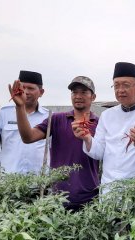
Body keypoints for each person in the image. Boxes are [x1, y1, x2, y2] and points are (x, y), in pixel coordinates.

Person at [72, 62, 135, 192]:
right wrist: (88, 139)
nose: (120, 90)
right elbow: (99, 152)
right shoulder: (107, 115)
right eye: (116, 85)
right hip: (110, 190)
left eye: (126, 85)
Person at [11, 76, 99, 210]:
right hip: (58, 197)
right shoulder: (56, 119)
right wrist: (20, 106)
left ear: (93, 97)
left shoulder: (100, 124)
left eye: (84, 92)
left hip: (90, 198)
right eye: (74, 92)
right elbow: (28, 137)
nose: (78, 96)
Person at [0, 70, 49, 174]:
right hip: (9, 182)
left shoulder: (48, 116)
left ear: (41, 92)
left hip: (40, 182)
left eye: (31, 88)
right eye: (22, 88)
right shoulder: (4, 112)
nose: (26, 92)